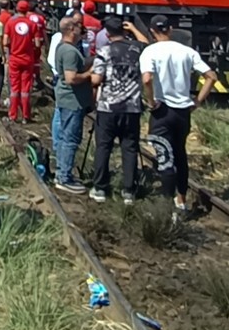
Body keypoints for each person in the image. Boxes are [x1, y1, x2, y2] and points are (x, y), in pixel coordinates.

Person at [139, 15, 218, 212]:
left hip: (162, 111)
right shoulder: (187, 52)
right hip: (183, 113)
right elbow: (211, 76)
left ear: (152, 31)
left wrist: (151, 102)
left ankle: (168, 206)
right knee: (180, 155)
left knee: (165, 159)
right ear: (171, 29)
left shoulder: (150, 51)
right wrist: (197, 101)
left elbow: (147, 79)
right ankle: (181, 200)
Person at [89, 16, 149, 204]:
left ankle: (100, 188)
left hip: (108, 108)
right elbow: (146, 44)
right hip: (132, 108)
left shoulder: (104, 51)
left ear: (107, 34)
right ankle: (129, 190)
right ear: (124, 31)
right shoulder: (136, 49)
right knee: (130, 148)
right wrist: (133, 29)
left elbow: (96, 80)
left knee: (103, 147)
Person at [51, 17, 95, 194]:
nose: (81, 28)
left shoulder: (63, 47)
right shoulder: (69, 51)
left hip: (68, 99)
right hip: (72, 101)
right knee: (70, 139)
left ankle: (62, 171)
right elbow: (71, 78)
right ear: (70, 29)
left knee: (64, 137)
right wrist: (89, 73)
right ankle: (64, 177)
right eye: (78, 26)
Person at [3, 0, 43, 123]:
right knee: (25, 89)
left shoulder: (10, 22)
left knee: (14, 88)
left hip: (15, 59)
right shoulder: (32, 24)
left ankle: (13, 115)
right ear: (27, 10)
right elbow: (37, 44)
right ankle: (26, 116)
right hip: (27, 60)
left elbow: (5, 42)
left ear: (16, 9)